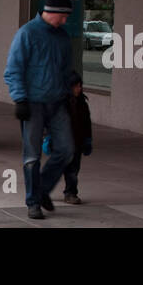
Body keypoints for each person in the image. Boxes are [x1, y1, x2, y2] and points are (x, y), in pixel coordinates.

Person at [4, 0, 78, 219]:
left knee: (66, 150)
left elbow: (65, 69)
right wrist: (20, 99)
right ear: (52, 12)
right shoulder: (27, 34)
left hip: (57, 102)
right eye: (63, 16)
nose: (65, 21)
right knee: (32, 155)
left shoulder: (62, 37)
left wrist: (74, 81)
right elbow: (13, 70)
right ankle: (33, 202)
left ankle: (42, 188)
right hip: (33, 104)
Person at [61, 76, 93, 205]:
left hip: (77, 142)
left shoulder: (82, 103)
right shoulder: (61, 103)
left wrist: (88, 140)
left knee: (73, 169)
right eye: (76, 86)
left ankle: (71, 192)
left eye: (80, 86)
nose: (79, 89)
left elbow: (87, 123)